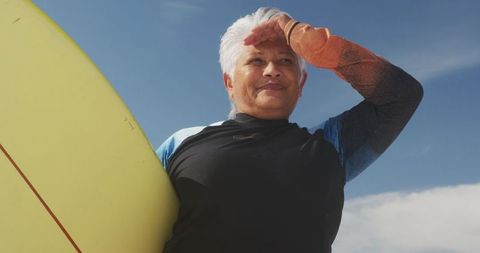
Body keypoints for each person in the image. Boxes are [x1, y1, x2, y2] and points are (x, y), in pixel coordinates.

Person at [157, 7, 423, 253]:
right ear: (229, 81)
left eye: (285, 61)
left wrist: (316, 44)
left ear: (302, 82)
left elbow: (402, 95)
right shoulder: (182, 142)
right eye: (256, 61)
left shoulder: (331, 147)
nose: (272, 71)